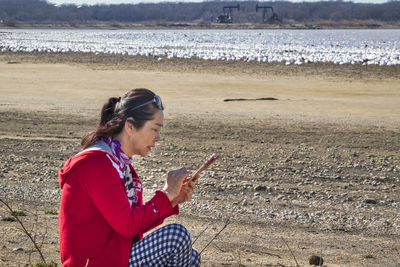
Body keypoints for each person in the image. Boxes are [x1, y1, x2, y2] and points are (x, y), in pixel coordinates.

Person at [58, 88, 200, 266]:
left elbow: (132, 226)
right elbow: (128, 226)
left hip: (117, 255)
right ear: (130, 126)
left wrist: (171, 199)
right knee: (176, 237)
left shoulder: (121, 165)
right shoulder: (97, 164)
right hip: (98, 262)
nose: (158, 138)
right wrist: (166, 194)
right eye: (154, 129)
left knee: (192, 257)